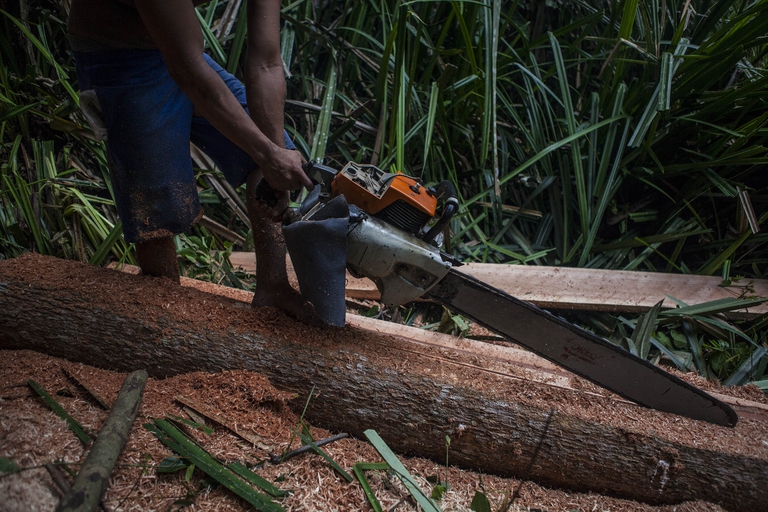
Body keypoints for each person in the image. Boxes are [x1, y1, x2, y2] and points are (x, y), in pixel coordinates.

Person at [68, 0, 318, 322]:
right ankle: (162, 305)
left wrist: (273, 155)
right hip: (119, 53)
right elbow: (186, 70)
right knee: (157, 201)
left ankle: (273, 287)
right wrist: (269, 155)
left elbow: (266, 63)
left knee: (271, 152)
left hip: (181, 51)